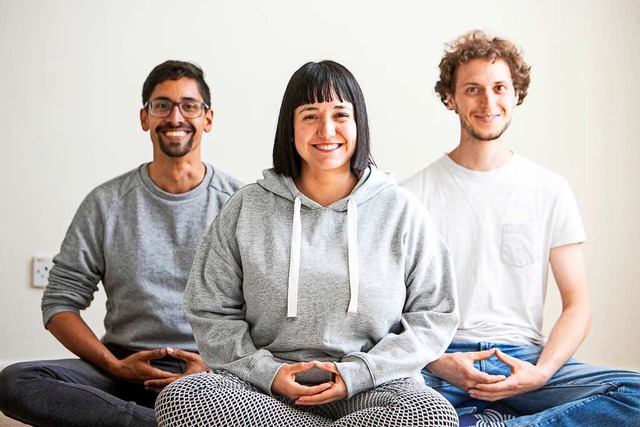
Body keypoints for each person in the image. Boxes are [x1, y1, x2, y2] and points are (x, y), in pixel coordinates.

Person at [154, 60, 460, 427]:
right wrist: (267, 373)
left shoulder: (401, 209)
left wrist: (357, 374)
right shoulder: (247, 206)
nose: (326, 130)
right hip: (262, 392)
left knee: (432, 413)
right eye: (310, 115)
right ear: (290, 127)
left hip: (371, 388)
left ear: (359, 123)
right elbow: (209, 309)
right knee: (182, 398)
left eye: (340, 115)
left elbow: (435, 315)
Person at [401, 30, 640, 426]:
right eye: (473, 89)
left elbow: (577, 305)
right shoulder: (412, 196)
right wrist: (440, 362)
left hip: (525, 360)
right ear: (450, 98)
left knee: (634, 394)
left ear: (516, 95)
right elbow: (391, 311)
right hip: (440, 360)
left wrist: (542, 373)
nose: (488, 102)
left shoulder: (549, 188)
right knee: (386, 406)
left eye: (499, 88)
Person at [0, 60, 243, 427]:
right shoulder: (107, 202)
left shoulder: (239, 204)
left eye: (189, 106)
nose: (175, 117)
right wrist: (114, 365)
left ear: (207, 119)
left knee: (276, 394)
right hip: (123, 367)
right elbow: (59, 303)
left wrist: (212, 368)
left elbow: (266, 312)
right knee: (15, 381)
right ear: (145, 118)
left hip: (212, 373)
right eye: (162, 105)